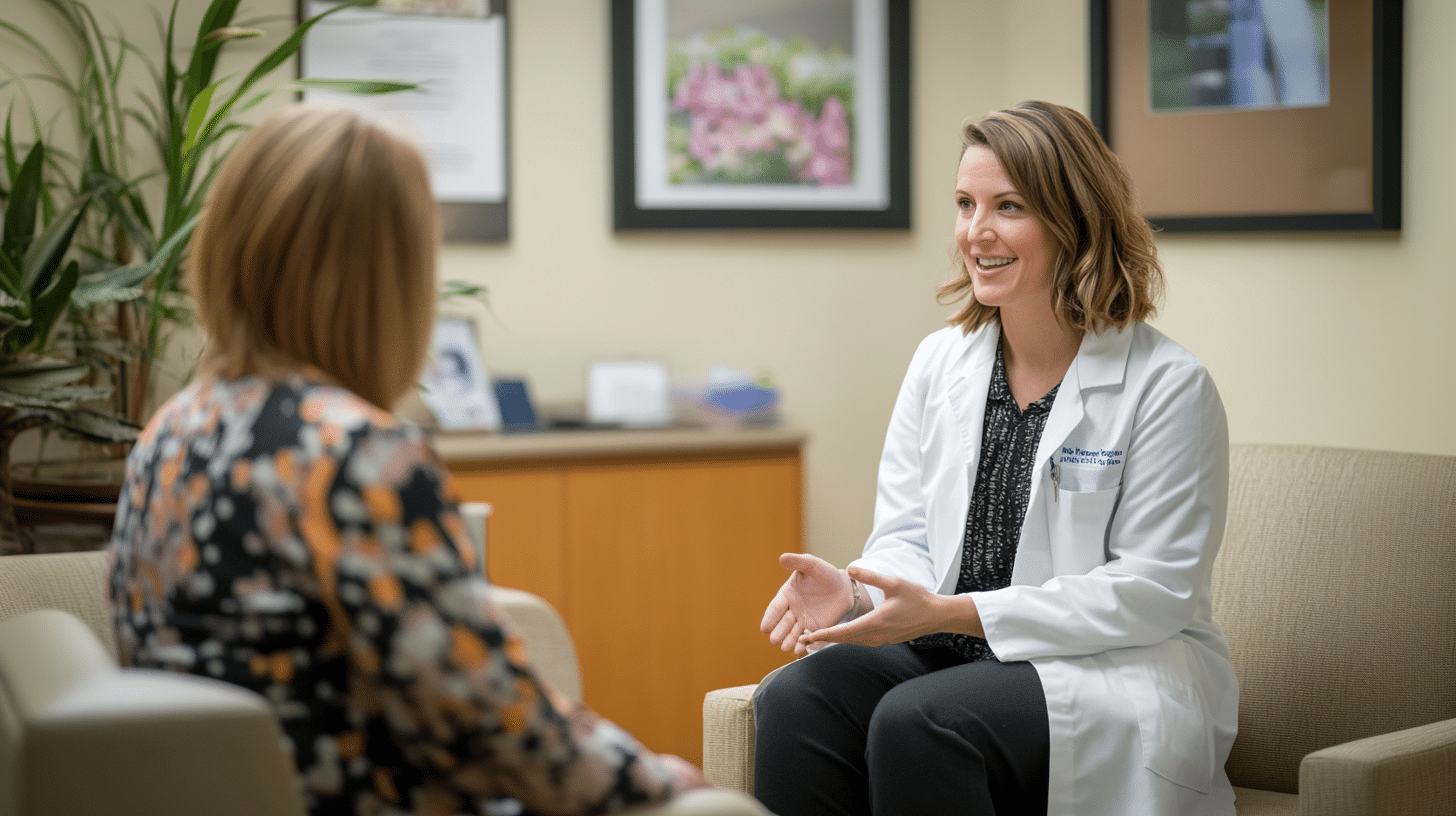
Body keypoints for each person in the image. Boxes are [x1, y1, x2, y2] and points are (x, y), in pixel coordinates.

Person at [107, 104, 708, 816]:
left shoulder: (172, 430)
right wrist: (665, 782)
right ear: (384, 280)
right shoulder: (355, 455)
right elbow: (498, 729)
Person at [754, 100, 1238, 816]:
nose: (975, 232)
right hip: (951, 644)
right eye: (964, 204)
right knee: (798, 696)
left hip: (1102, 668)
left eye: (1008, 206)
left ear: (1075, 220)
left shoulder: (1169, 386)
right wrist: (861, 597)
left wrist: (957, 611)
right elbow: (908, 535)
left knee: (922, 720)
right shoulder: (939, 361)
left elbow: (1150, 592)